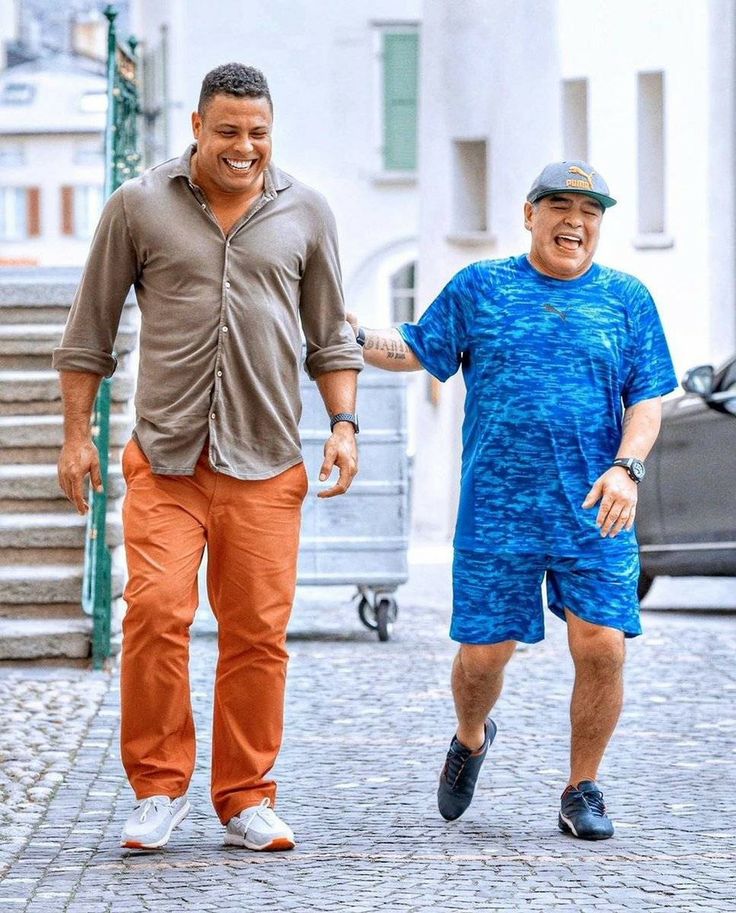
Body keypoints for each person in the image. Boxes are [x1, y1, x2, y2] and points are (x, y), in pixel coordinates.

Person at [54, 63, 362, 852]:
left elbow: (330, 334)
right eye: (228, 131)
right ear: (196, 125)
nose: (244, 147)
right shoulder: (138, 206)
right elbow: (88, 330)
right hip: (167, 458)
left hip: (266, 460)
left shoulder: (307, 213)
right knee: (156, 615)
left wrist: (343, 423)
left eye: (258, 133)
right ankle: (158, 787)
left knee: (258, 632)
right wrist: (75, 433)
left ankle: (245, 796)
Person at [349, 161, 677, 840]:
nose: (575, 222)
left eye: (590, 211)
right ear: (530, 214)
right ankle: (471, 736)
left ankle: (582, 786)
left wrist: (627, 468)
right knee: (482, 657)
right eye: (561, 206)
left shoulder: (627, 298)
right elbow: (415, 348)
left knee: (604, 647)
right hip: (498, 508)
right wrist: (353, 336)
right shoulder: (482, 288)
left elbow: (648, 397)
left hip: (595, 504)